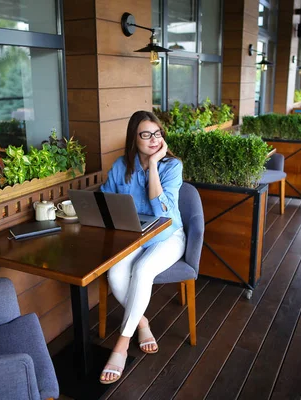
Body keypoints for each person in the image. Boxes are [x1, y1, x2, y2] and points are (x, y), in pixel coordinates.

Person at [99, 110, 186, 384]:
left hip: (168, 237)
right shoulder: (121, 166)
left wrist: (154, 166)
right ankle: (142, 322)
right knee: (114, 273)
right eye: (145, 134)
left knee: (143, 268)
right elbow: (105, 199)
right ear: (133, 139)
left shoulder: (172, 166)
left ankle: (121, 346)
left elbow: (162, 210)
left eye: (157, 134)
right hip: (134, 237)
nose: (152, 139)